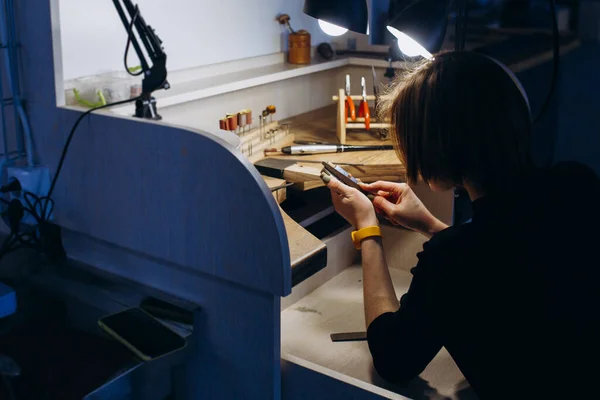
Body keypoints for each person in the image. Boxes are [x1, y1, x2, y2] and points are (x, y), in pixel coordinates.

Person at [321, 51, 600, 400]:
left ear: (438, 150)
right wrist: (430, 224)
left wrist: (368, 227)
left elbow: (394, 357)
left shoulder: (453, 258)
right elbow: (507, 260)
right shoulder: (577, 184)